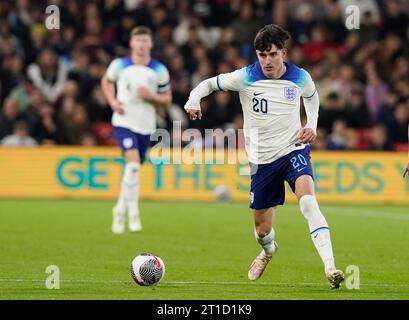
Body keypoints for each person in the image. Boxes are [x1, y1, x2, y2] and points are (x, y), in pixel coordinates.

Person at [184, 24, 344, 289]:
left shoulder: (300, 77)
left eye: (272, 54)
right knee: (262, 231)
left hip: (293, 150)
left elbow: (312, 99)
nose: (267, 61)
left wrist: (312, 126)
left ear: (283, 52)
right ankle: (268, 251)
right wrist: (193, 99)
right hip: (261, 161)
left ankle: (330, 267)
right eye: (262, 55)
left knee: (308, 203)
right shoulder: (245, 76)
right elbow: (209, 84)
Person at [101, 26, 172, 234]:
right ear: (131, 43)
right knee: (132, 167)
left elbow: (167, 99)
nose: (141, 44)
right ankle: (133, 213)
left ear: (150, 44)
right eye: (137, 40)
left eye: (144, 40)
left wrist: (152, 96)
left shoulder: (159, 70)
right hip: (123, 121)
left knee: (134, 170)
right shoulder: (119, 65)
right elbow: (106, 81)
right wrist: (113, 101)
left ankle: (119, 209)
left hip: (146, 125)